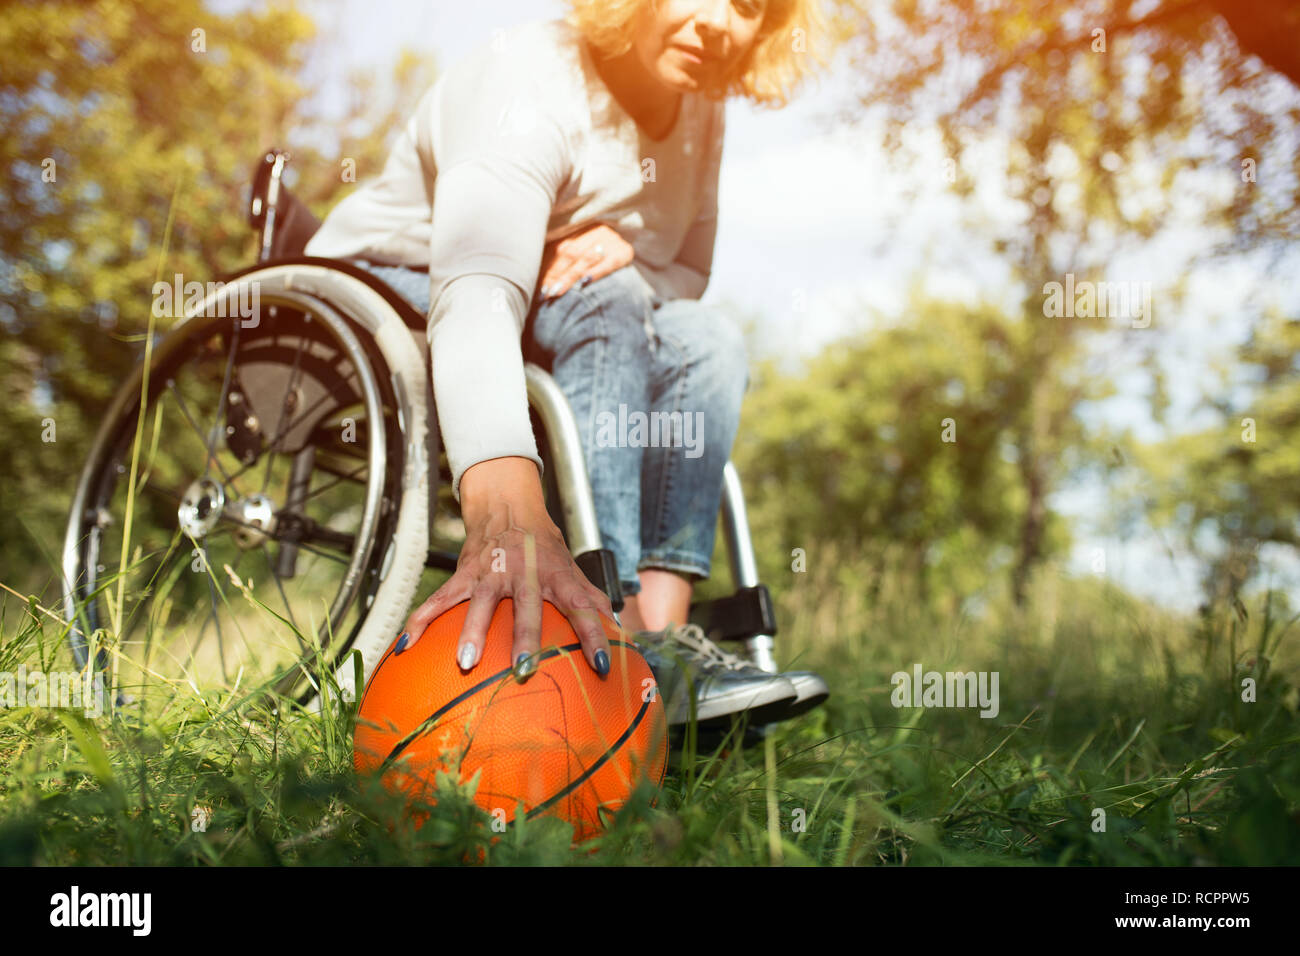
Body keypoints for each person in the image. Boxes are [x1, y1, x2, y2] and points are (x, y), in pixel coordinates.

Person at [304, 0, 829, 726]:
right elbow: (479, 291)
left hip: (564, 305)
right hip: (405, 276)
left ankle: (659, 646)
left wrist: (623, 256)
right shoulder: (527, 79)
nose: (716, 21)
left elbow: (686, 273)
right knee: (608, 301)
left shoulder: (701, 101)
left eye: (747, 4)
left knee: (709, 340)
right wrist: (505, 518)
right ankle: (607, 622)